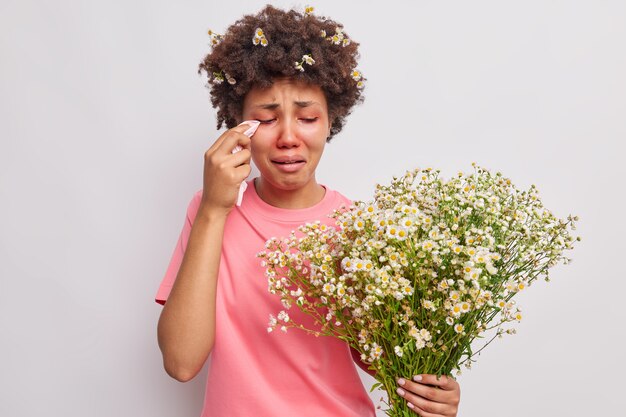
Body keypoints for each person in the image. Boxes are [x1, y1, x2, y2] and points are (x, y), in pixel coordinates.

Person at [155, 5, 461, 417]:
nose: (287, 137)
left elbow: (392, 368)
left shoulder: (361, 228)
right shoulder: (210, 209)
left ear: (330, 120)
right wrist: (213, 208)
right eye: (266, 117)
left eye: (307, 117)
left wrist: (435, 395)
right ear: (238, 123)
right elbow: (181, 362)